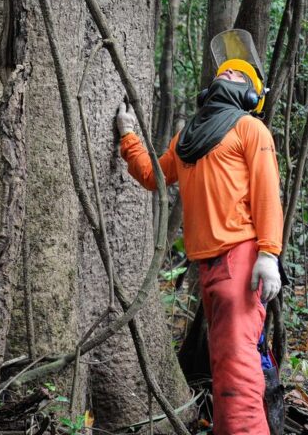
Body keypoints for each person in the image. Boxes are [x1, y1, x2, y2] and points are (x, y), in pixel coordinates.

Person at [116, 29, 283, 434]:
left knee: (237, 367)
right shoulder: (189, 138)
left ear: (250, 97)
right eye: (226, 73)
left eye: (241, 77)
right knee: (227, 362)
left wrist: (268, 255)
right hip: (209, 268)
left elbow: (267, 194)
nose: (231, 78)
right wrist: (127, 135)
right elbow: (152, 175)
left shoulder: (250, 130)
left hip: (240, 262)